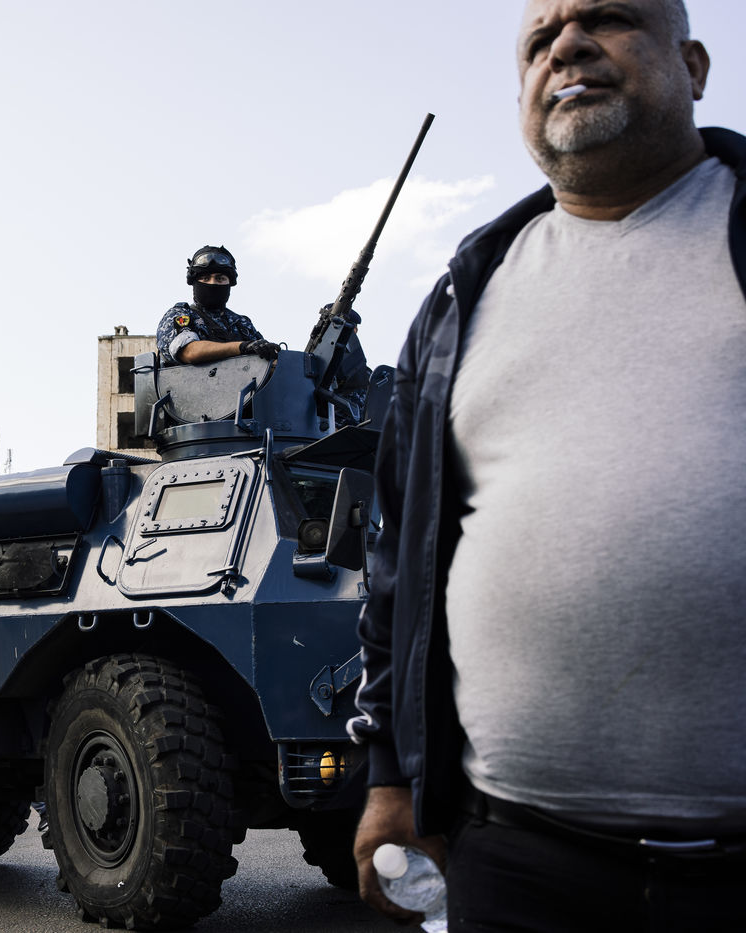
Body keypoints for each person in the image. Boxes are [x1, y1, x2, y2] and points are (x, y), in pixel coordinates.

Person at [348, 1, 746, 929]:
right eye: (539, 41)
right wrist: (394, 777)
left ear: (693, 64)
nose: (565, 45)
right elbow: (402, 563)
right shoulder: (465, 294)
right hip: (518, 863)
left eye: (608, 17)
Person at [155, 245, 280, 366]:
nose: (212, 283)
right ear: (194, 283)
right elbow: (189, 352)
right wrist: (241, 347)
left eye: (220, 279)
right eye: (205, 278)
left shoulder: (242, 324)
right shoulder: (181, 314)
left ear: (230, 283)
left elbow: (268, 362)